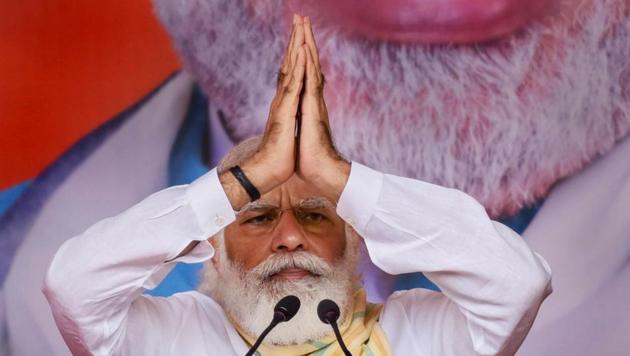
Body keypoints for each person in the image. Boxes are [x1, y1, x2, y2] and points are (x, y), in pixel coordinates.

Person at [43, 16, 551, 355]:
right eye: (259, 217)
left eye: (314, 214)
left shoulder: (416, 335)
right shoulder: (179, 337)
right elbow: (73, 289)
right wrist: (243, 181)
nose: (289, 238)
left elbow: (517, 285)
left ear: (353, 243)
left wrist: (336, 175)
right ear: (214, 253)